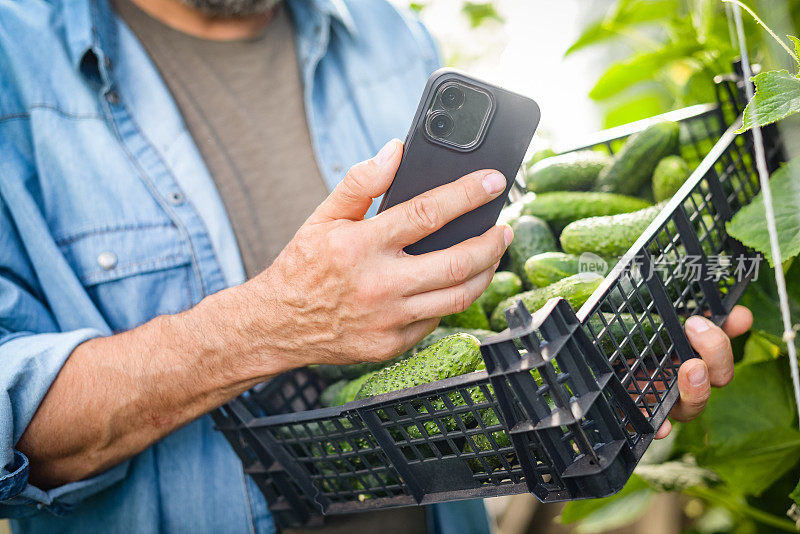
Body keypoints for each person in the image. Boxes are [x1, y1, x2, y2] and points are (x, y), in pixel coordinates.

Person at [0, 0, 752, 532]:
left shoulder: (390, 35)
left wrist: (600, 386)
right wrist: (273, 325)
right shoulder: (15, 63)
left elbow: (459, 342)